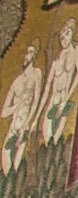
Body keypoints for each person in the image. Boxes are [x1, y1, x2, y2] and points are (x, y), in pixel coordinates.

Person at [37, 21, 78, 149]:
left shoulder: (75, 52)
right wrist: (37, 117)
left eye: (67, 33)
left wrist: (66, 99)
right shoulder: (56, 61)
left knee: (56, 138)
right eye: (62, 34)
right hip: (53, 100)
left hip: (64, 98)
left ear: (72, 35)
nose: (63, 36)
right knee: (46, 132)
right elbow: (46, 90)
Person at [1, 42, 43, 176]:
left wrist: (29, 123)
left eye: (30, 52)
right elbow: (3, 113)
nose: (27, 56)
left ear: (35, 55)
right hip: (13, 126)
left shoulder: (36, 73)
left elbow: (36, 100)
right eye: (26, 53)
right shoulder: (17, 81)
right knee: (6, 161)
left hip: (25, 124)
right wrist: (17, 105)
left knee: (16, 166)